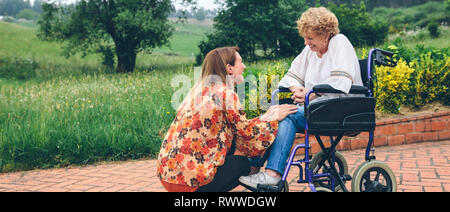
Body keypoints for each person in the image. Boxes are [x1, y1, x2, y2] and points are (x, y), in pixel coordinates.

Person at [239, 7, 364, 189]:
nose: (306, 43)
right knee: (277, 112)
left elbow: (341, 82)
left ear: (325, 34)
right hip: (318, 109)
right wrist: (296, 88)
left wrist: (310, 93)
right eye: (305, 38)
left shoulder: (340, 43)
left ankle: (272, 175)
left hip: (341, 109)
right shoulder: (311, 51)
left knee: (286, 114)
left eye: (310, 38)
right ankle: (252, 168)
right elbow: (292, 75)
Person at [157, 46, 298, 192]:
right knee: (243, 164)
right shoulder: (225, 93)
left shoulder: (200, 92)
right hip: (189, 182)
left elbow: (239, 126)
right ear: (229, 68)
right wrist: (273, 118)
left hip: (169, 175)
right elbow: (248, 133)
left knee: (231, 149)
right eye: (241, 62)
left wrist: (266, 117)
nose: (244, 67)